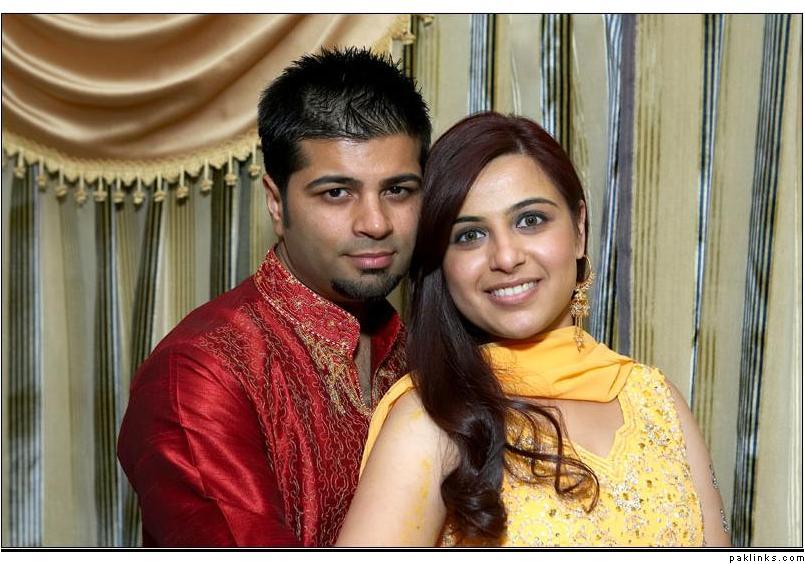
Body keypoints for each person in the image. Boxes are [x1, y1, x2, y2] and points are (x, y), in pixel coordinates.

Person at [336, 112, 731, 547]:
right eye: (469, 235)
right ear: (441, 264)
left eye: (530, 220)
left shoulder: (657, 400)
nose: (506, 257)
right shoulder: (431, 418)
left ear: (579, 229)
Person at [117, 47, 431, 547]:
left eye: (398, 190)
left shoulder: (422, 350)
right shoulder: (201, 375)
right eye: (336, 192)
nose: (375, 223)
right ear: (276, 203)